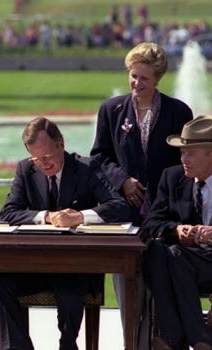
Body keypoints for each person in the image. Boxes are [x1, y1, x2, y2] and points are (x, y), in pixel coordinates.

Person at [0, 117, 130, 350]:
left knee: (69, 286)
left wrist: (81, 216)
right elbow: (7, 213)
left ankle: (67, 344)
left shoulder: (87, 168)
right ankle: (18, 347)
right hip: (36, 265)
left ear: (60, 144)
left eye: (47, 157)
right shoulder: (26, 169)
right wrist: (46, 216)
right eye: (36, 158)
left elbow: (119, 207)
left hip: (77, 266)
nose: (42, 164)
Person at [90, 41, 193, 347]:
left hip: (166, 216)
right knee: (127, 284)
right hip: (125, 215)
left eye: (143, 78)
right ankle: (131, 343)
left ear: (157, 79)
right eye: (133, 76)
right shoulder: (112, 110)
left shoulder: (178, 112)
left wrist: (163, 196)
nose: (136, 83)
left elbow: (185, 163)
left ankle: (162, 341)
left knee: (161, 283)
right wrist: (122, 181)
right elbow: (99, 157)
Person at [143, 116, 212, 350]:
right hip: (183, 260)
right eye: (182, 152)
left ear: (211, 154)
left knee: (172, 256)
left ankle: (173, 337)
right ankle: (198, 339)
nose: (183, 159)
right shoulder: (172, 177)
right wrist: (177, 229)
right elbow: (151, 223)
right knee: (162, 250)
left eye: (190, 153)